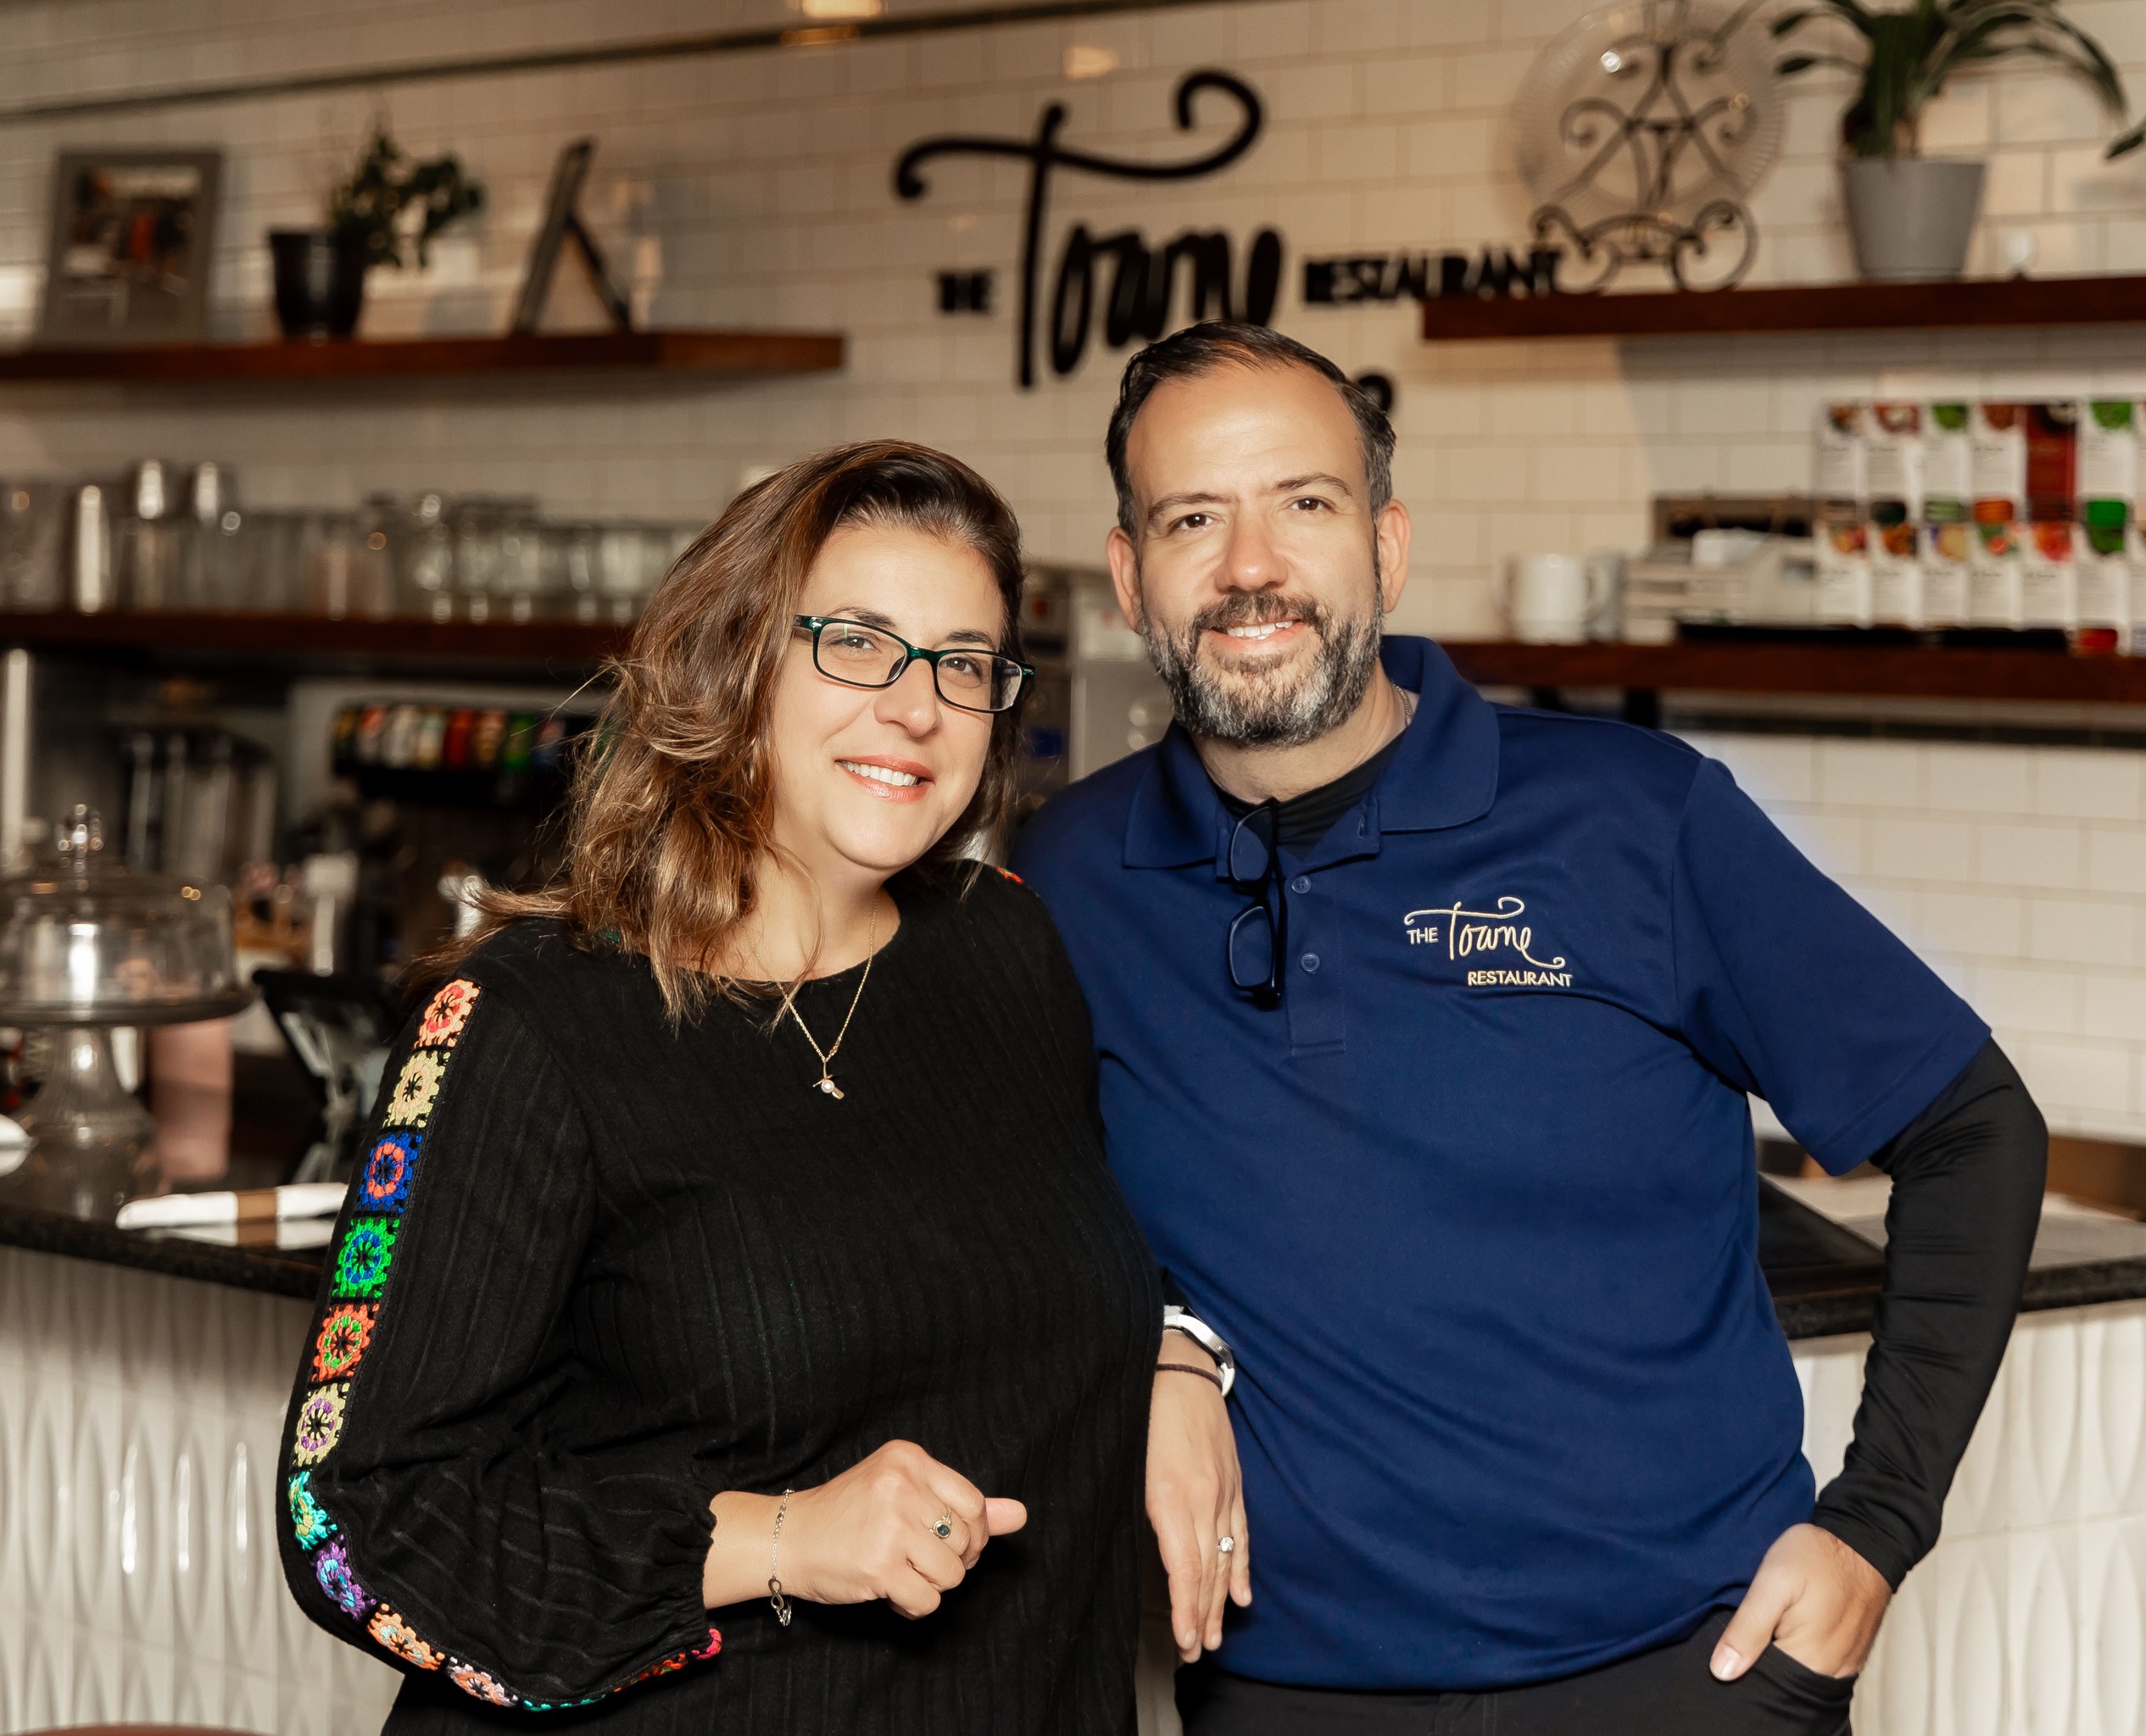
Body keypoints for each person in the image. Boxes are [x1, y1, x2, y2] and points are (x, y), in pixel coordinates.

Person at [1012, 325, 2048, 1736]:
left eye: (1304, 505)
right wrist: (1162, 1340)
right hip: (1285, 1687)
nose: (1252, 567)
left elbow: (1973, 1128)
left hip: (1689, 1669)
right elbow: (998, 1195)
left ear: (1385, 548)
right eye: (1195, 518)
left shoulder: (1634, 815)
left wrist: (1875, 1528)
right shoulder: (1068, 875)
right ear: (1131, 576)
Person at [276, 441, 1174, 1733]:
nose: (915, 706)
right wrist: (780, 1538)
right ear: (738, 665)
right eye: (857, 643)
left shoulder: (1010, 949)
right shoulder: (526, 1019)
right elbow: (354, 1513)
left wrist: (1178, 1364)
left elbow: (1053, 1286)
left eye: (963, 664)